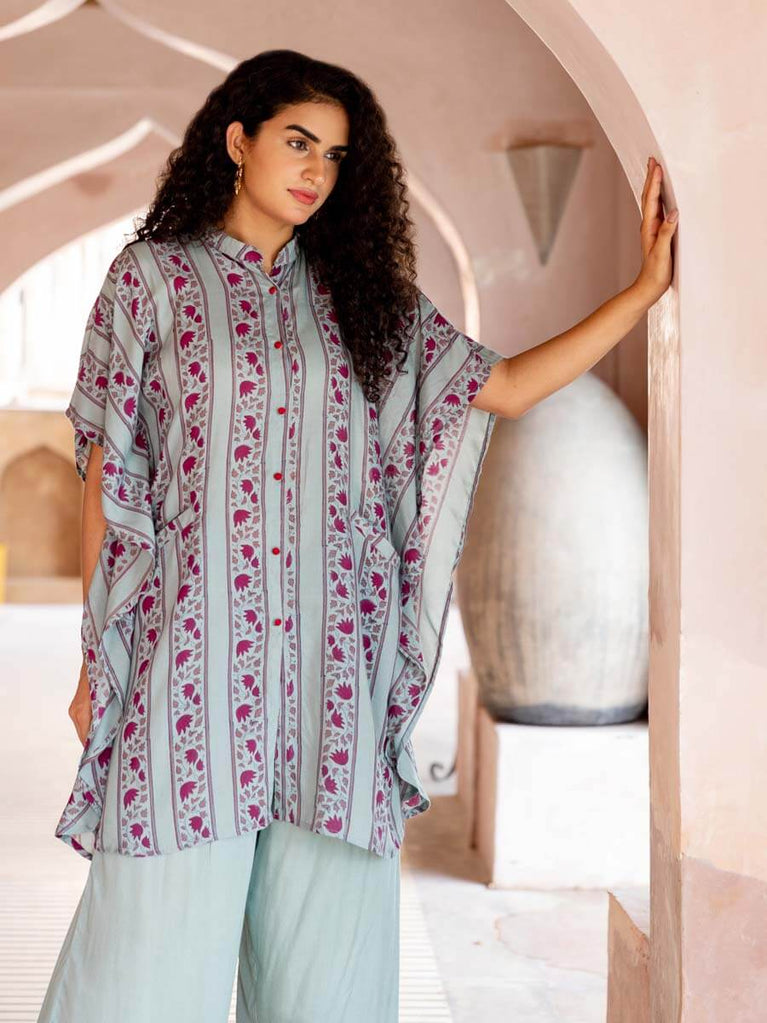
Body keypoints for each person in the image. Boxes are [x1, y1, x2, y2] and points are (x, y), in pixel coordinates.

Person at [38, 48, 677, 1023]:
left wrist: (639, 293)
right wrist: (97, 662)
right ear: (238, 140)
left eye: (335, 156)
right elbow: (109, 473)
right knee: (142, 962)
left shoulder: (361, 299)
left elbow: (503, 386)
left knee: (325, 982)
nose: (316, 171)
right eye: (298, 143)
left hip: (328, 685)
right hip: (185, 670)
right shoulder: (150, 283)